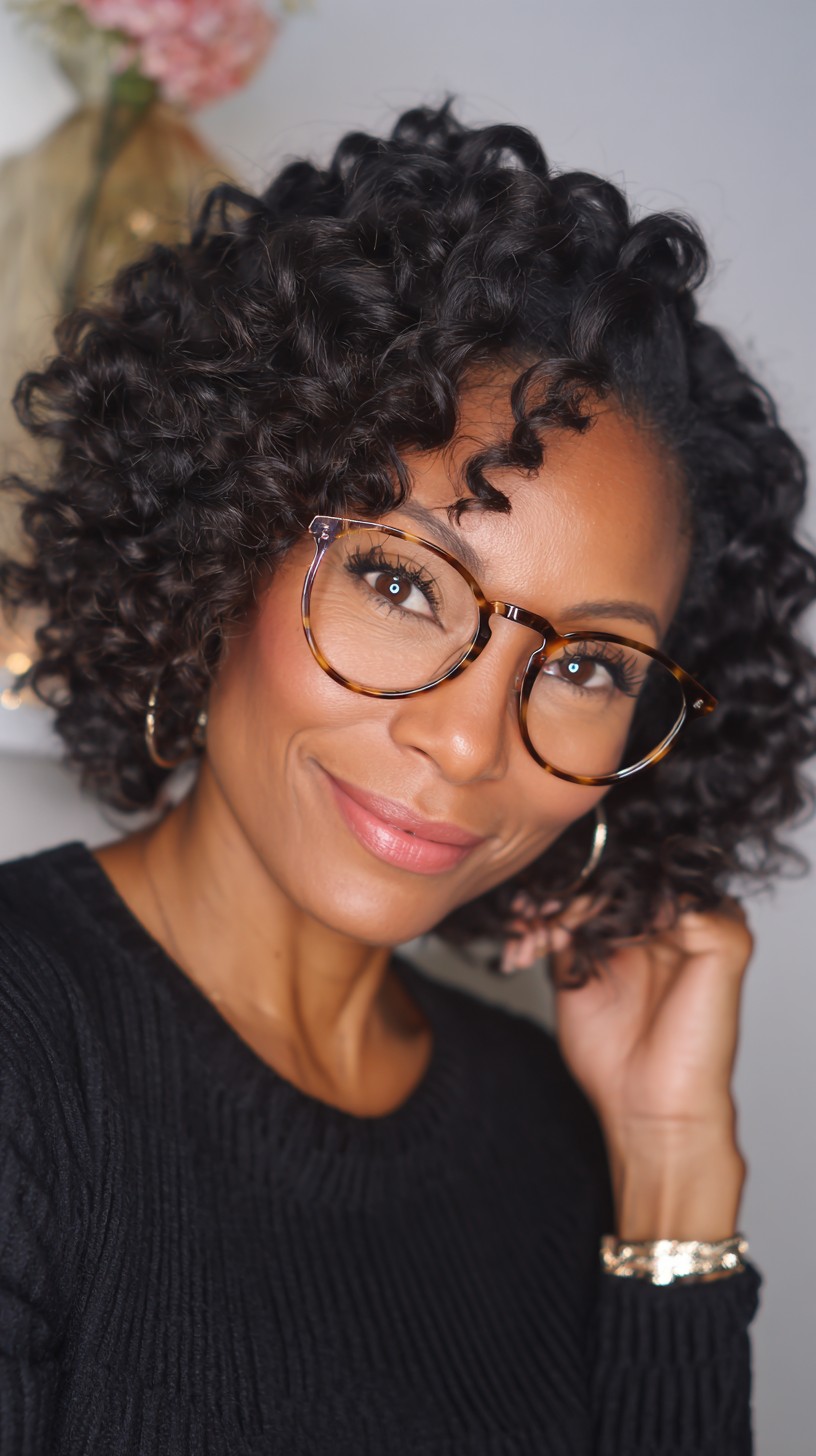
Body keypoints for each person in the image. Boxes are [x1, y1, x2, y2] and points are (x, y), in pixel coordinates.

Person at [0, 101, 813, 1456]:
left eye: (591, 666)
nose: (470, 742)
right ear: (224, 546)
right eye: (401, 582)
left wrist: (671, 1168)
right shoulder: (26, 1051)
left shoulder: (552, 1127)